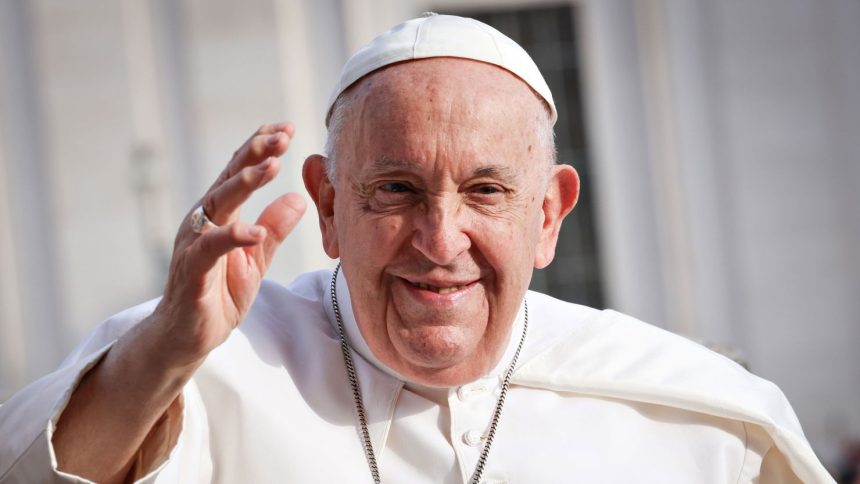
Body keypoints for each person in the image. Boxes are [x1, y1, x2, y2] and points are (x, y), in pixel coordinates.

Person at [0, 14, 834, 484]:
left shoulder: (704, 418)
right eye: (394, 189)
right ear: (328, 204)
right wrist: (160, 356)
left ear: (548, 214)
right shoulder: (200, 366)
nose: (440, 243)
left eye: (486, 191)